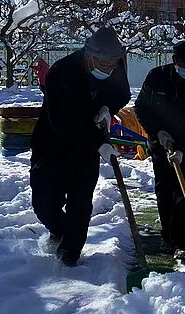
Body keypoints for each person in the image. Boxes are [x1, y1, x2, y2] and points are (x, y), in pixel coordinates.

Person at [29, 26, 130, 266]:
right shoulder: (62, 72)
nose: (109, 68)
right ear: (89, 55)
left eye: (113, 64)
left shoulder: (114, 65)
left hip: (86, 150)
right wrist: (98, 145)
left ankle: (70, 254)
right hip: (52, 144)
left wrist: (107, 108)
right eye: (104, 64)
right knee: (44, 204)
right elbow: (62, 122)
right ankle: (60, 231)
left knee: (81, 202)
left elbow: (122, 93)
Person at [135, 40, 185, 261]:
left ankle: (183, 242)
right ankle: (167, 237)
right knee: (165, 192)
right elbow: (142, 107)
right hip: (160, 145)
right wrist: (156, 132)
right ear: (175, 61)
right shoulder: (156, 77)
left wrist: (182, 149)